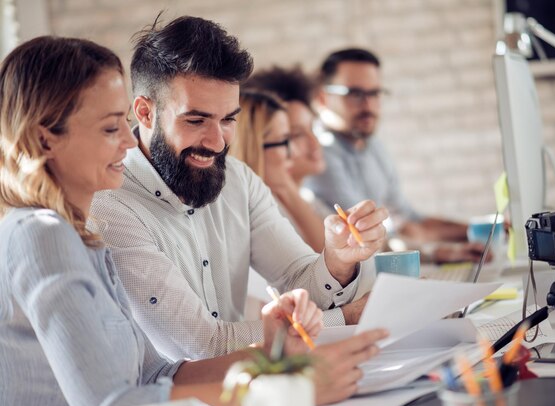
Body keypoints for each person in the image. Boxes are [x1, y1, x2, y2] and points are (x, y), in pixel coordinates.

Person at [0, 35, 388, 406]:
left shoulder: (78, 235)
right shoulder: (42, 234)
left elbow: (157, 375)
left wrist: (273, 349)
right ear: (44, 139)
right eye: (108, 129)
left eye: (122, 124)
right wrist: (290, 392)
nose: (129, 142)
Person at [91, 16, 387, 362]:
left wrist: (337, 259)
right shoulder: (109, 206)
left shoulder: (239, 179)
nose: (217, 142)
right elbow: (203, 347)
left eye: (228, 119)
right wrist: (346, 319)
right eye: (196, 120)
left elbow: (296, 278)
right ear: (144, 112)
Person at [306, 48, 488, 264]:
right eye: (355, 94)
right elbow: (365, 237)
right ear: (323, 99)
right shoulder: (319, 155)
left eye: (375, 93)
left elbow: (410, 222)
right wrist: (436, 253)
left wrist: (480, 230)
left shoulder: (374, 148)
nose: (369, 105)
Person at [230, 89, 326, 252]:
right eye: (284, 140)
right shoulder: (249, 217)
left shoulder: (287, 199)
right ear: (253, 148)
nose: (293, 152)